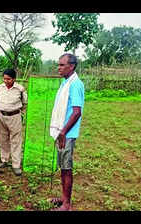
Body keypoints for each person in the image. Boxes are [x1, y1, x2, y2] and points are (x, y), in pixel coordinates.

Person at [49, 53, 84, 211]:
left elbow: (77, 112)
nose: (59, 68)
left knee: (67, 168)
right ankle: (63, 198)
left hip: (67, 134)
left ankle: (67, 205)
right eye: (59, 64)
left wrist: (63, 132)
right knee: (63, 167)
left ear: (72, 66)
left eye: (62, 65)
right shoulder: (65, 83)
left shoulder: (75, 84)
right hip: (62, 133)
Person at [0, 69, 28, 176]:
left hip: (14, 116)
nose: (6, 81)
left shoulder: (20, 89)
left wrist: (21, 114)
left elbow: (24, 103)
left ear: (14, 79)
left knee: (15, 140)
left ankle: (16, 165)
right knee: (3, 138)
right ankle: (4, 159)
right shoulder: (0, 88)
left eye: (8, 79)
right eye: (4, 78)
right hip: (2, 116)